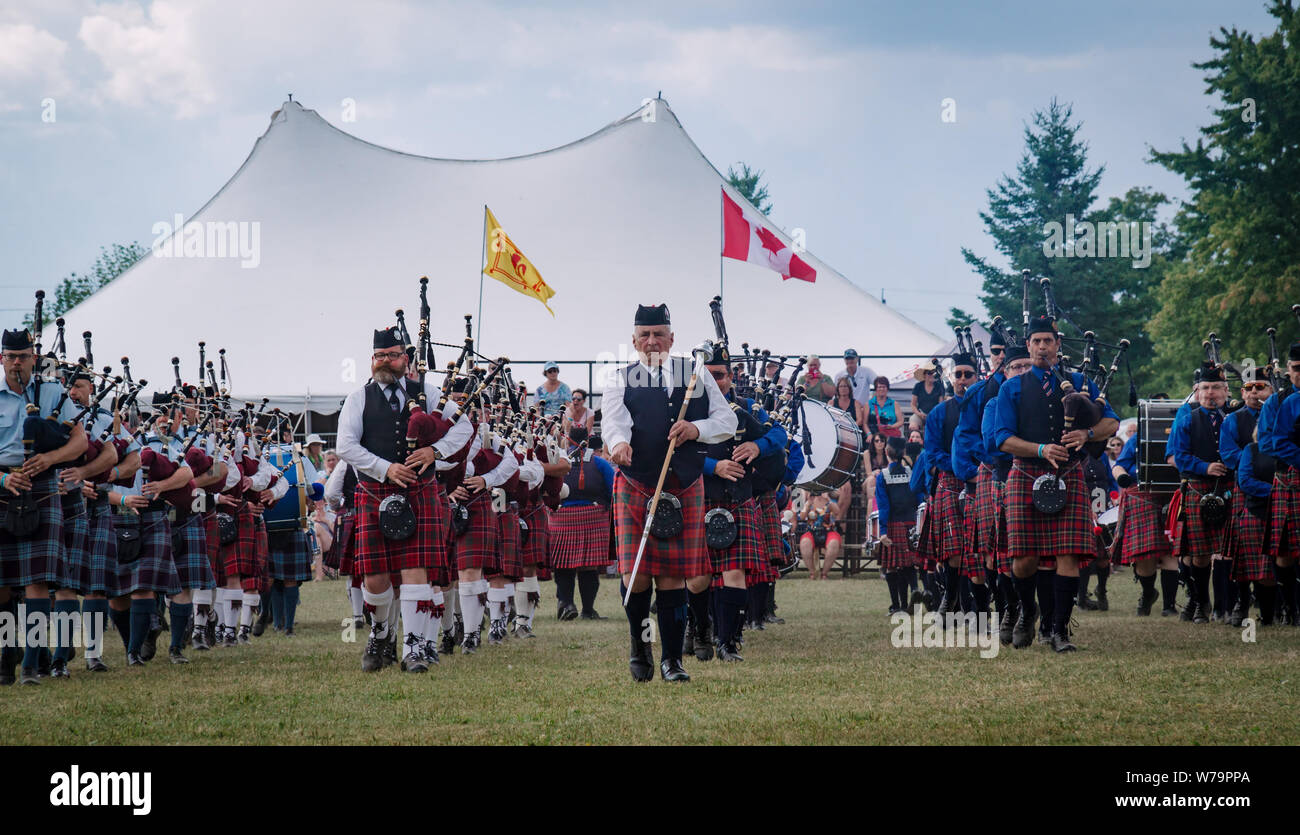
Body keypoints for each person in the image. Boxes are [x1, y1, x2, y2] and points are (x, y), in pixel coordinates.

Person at [600, 303, 737, 683]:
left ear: (672, 338)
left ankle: (672, 661)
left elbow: (727, 421)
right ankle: (640, 645)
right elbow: (613, 422)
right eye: (644, 335)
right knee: (638, 575)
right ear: (633, 340)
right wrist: (618, 445)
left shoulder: (695, 374)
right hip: (638, 482)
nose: (652, 341)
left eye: (659, 333)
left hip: (684, 483)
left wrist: (695, 429)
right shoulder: (619, 378)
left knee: (674, 576)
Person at [335, 325, 472, 673]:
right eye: (379, 356)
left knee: (416, 572)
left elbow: (464, 427)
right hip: (374, 492)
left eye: (392, 355)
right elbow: (345, 446)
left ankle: (414, 649)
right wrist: (385, 468)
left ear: (405, 359)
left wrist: (434, 451)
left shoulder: (426, 390)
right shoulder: (358, 398)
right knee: (375, 578)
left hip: (420, 491)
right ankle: (380, 634)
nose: (384, 361)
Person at [994, 315, 1118, 652]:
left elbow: (1112, 422)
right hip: (1025, 474)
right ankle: (1027, 610)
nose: (1042, 347)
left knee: (1068, 555)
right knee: (1024, 559)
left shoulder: (1078, 382)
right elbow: (1002, 439)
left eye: (1048, 341)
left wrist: (1087, 433)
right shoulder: (1012, 387)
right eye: (1036, 341)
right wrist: (1040, 448)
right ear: (1030, 345)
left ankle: (1060, 631)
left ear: (1058, 345)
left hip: (1069, 475)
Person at [691, 345, 786, 662]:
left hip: (738, 500)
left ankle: (728, 642)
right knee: (698, 576)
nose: (715, 382)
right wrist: (712, 467)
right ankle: (698, 633)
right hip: (699, 498)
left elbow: (780, 438)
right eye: (708, 376)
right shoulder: (689, 412)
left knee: (734, 573)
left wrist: (757, 446)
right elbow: (676, 452)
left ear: (731, 377)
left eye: (719, 375)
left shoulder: (745, 408)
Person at [1165, 362, 1232, 624]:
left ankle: (1226, 606)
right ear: (1197, 390)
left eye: (1216, 387)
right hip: (1198, 487)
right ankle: (1201, 601)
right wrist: (1205, 466)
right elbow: (1176, 456)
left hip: (1229, 487)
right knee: (1201, 553)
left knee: (1228, 548)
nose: (1211, 392)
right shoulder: (1187, 417)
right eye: (1205, 387)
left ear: (1226, 390)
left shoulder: (1235, 416)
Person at [918, 351, 980, 616]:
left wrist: (978, 471)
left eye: (968, 374)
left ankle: (974, 606)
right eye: (958, 374)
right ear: (952, 378)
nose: (963, 379)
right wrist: (960, 467)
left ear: (977, 378)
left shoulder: (986, 406)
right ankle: (953, 599)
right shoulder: (939, 413)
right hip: (951, 482)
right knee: (955, 552)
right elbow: (931, 453)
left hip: (981, 480)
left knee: (978, 551)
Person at [550, 426, 614, 620]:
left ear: (568, 441)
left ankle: (567, 603)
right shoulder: (600, 463)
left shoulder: (556, 461)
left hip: (561, 516)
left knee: (563, 564)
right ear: (588, 439)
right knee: (588, 566)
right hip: (593, 516)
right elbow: (613, 490)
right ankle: (588, 610)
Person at [1258, 340, 1300, 625]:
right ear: (1287, 369)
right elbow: (1268, 443)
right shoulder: (1278, 401)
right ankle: (1290, 606)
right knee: (1285, 553)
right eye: (1297, 369)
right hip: (1290, 479)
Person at [875, 443, 925, 615]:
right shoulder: (911, 472)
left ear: (887, 453)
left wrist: (882, 531)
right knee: (908, 563)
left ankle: (897, 606)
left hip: (893, 524)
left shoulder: (883, 475)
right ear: (902, 451)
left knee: (892, 567)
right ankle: (913, 592)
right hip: (911, 523)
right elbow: (920, 499)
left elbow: (883, 506)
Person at [797, 490, 842, 580]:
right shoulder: (810, 502)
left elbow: (837, 512)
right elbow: (802, 517)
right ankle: (812, 573)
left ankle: (824, 574)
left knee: (834, 543)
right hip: (812, 531)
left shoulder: (829, 501)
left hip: (829, 531)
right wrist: (808, 503)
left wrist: (828, 499)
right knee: (805, 542)